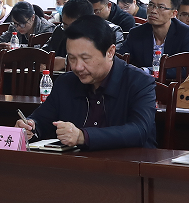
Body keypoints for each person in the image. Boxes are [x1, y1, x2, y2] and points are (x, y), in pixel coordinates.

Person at [17, 15, 155, 150]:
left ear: (110, 52)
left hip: (128, 162)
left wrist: (83, 136)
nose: (77, 67)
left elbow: (139, 130)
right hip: (77, 163)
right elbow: (42, 119)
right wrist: (30, 126)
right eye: (72, 58)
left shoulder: (139, 82)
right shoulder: (66, 82)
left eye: (85, 58)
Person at [118, 0, 189, 73]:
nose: (153, 11)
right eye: (151, 5)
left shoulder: (187, 34)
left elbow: (186, 68)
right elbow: (120, 60)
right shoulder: (136, 33)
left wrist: (148, 71)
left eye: (161, 7)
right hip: (141, 81)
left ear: (173, 13)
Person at [45, 0, 123, 69]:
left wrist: (66, 62)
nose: (69, 31)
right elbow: (44, 53)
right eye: (65, 24)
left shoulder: (112, 31)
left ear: (89, 21)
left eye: (73, 27)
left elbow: (115, 60)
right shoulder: (61, 29)